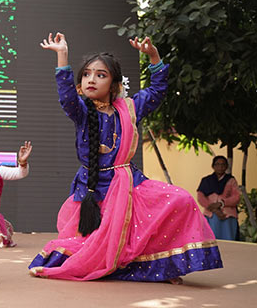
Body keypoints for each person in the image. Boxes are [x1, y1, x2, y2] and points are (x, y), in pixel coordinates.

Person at [29, 33, 222, 282]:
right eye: (86, 74)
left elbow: (158, 90)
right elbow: (66, 97)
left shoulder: (130, 108)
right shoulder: (81, 111)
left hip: (129, 183)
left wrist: (154, 56)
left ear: (115, 85)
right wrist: (62, 55)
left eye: (101, 75)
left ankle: (162, 267)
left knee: (181, 199)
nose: (91, 79)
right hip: (93, 188)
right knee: (88, 245)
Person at [197, 156, 240, 240]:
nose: (220, 167)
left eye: (223, 164)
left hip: (227, 215)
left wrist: (221, 203)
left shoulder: (231, 180)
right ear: (213, 166)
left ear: (226, 166)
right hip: (210, 215)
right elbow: (200, 196)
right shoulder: (206, 180)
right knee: (211, 241)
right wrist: (214, 209)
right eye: (217, 164)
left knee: (228, 240)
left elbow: (236, 197)